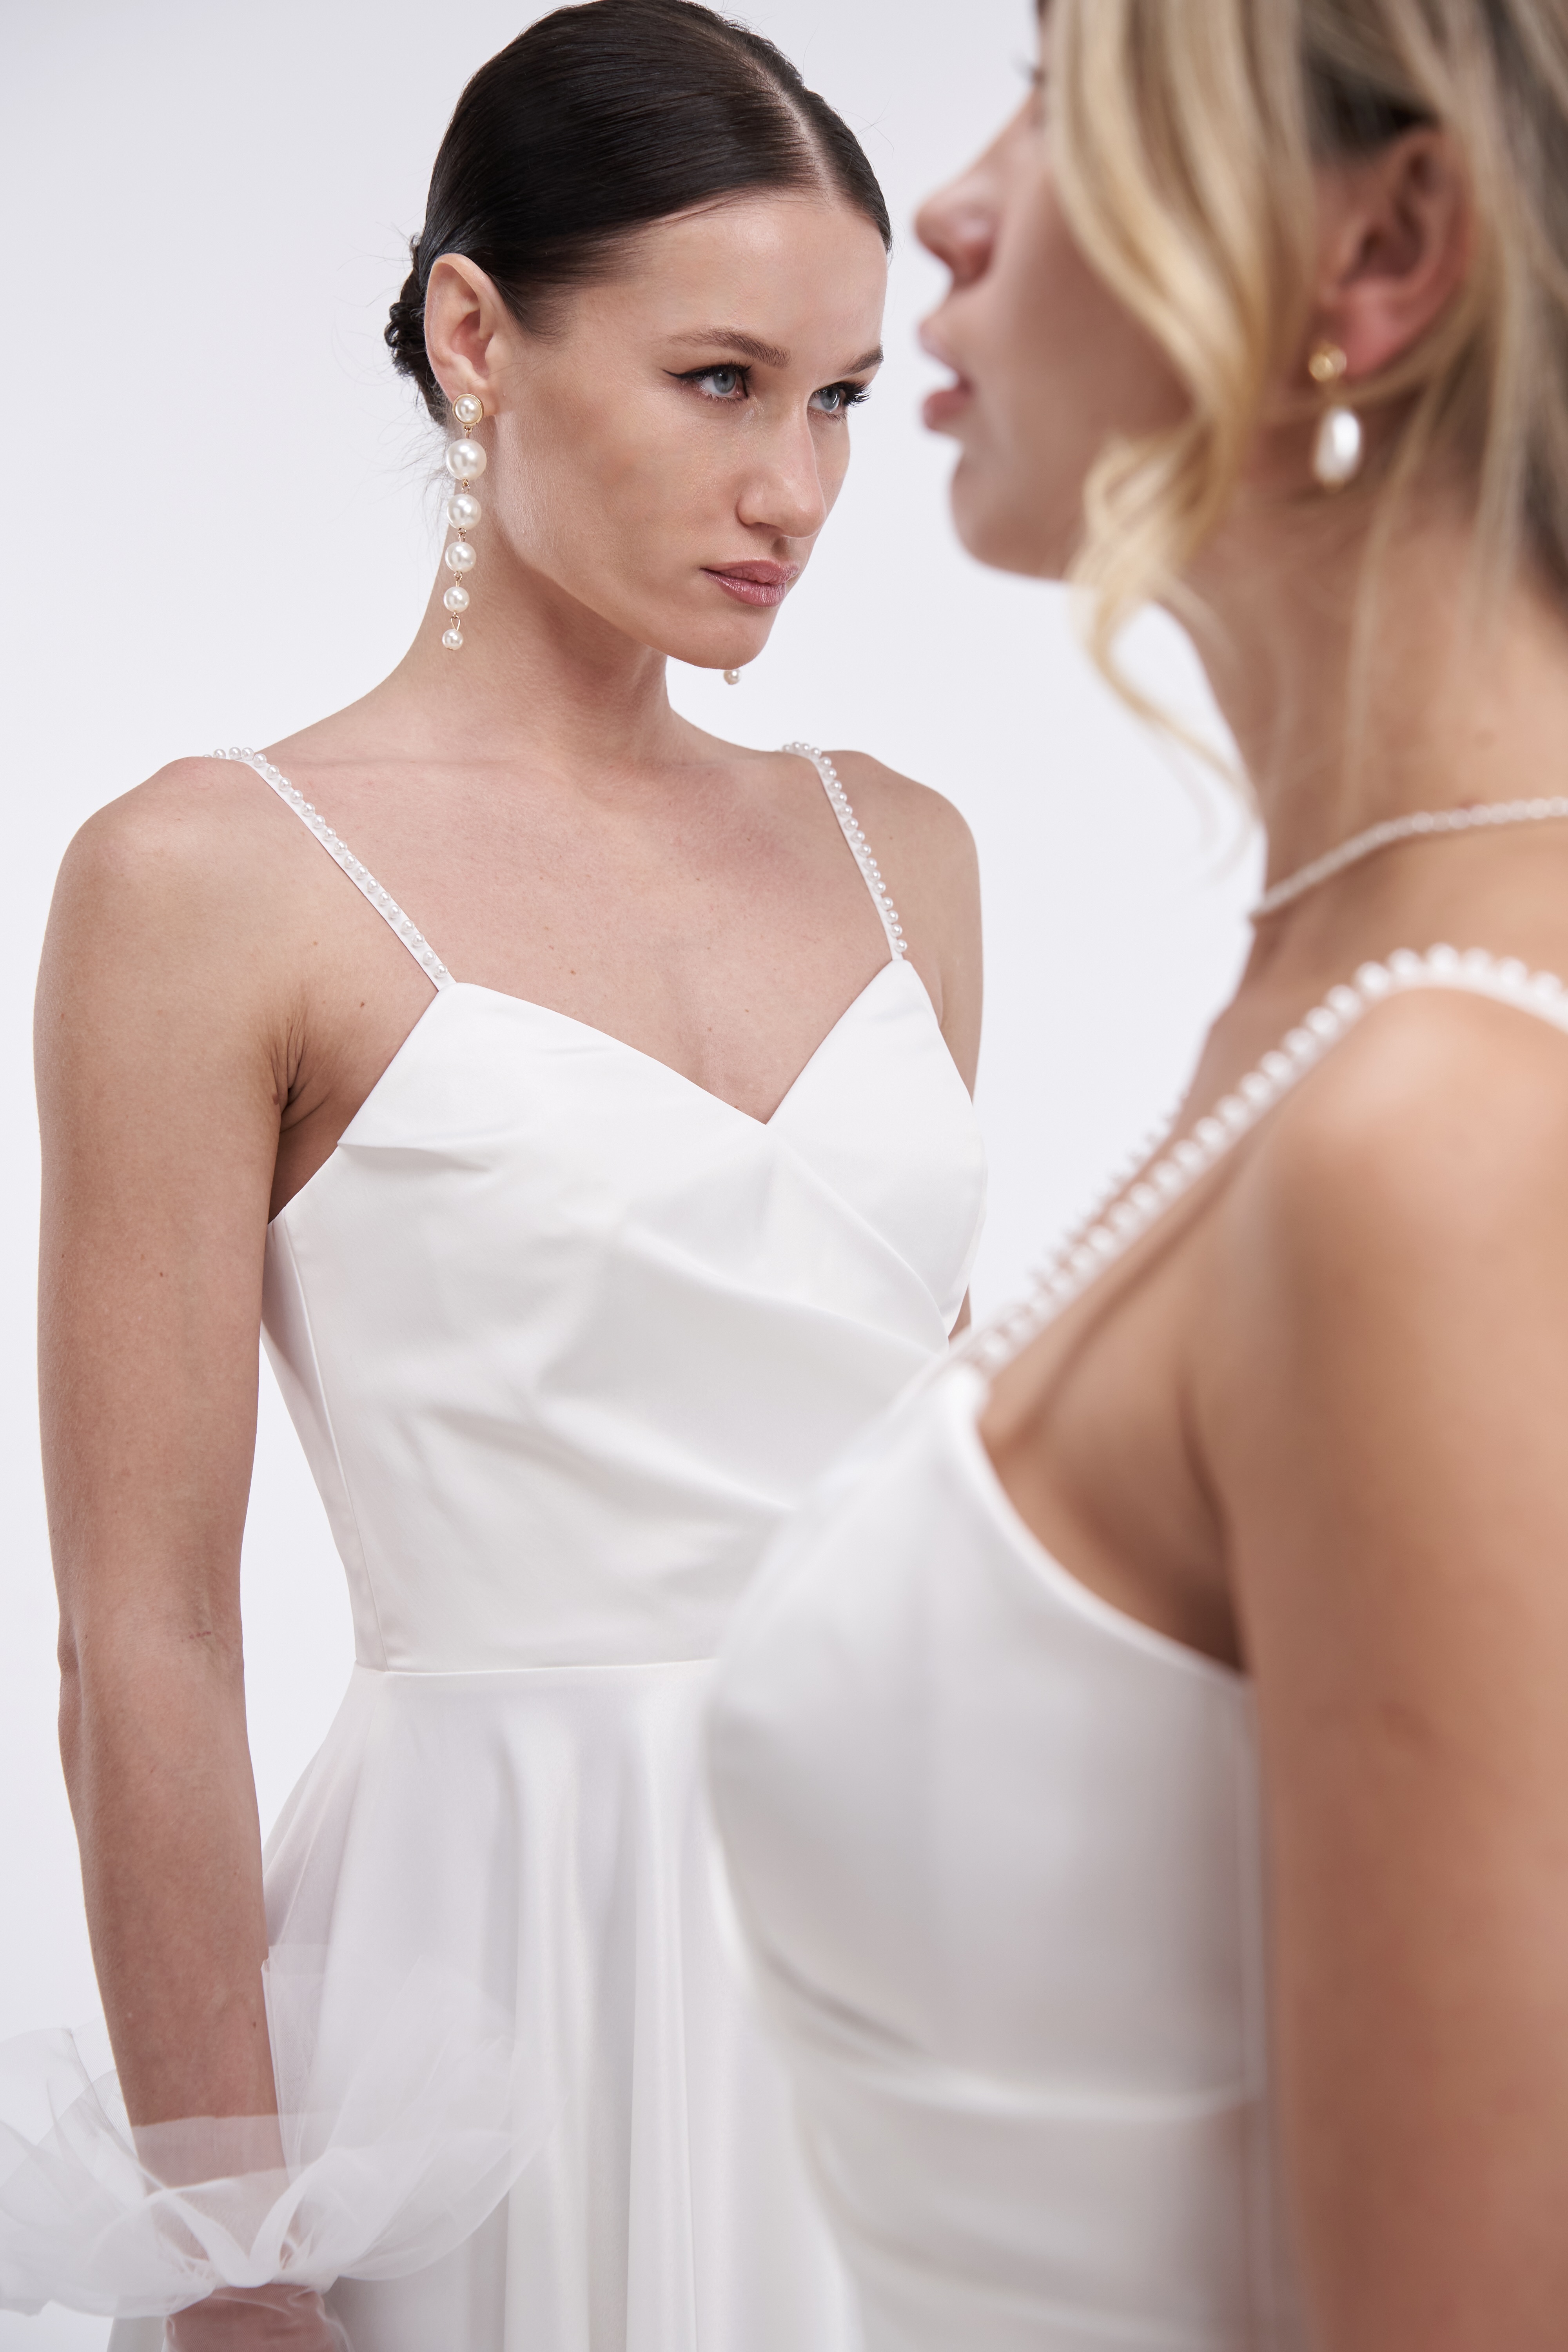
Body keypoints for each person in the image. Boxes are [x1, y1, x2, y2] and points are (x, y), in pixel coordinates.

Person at [0, 4, 985, 2346]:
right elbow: (147, 1633)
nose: (797, 490)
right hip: (488, 1970)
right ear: (476, 336)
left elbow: (941, 1504)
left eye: (841, 398)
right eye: (720, 381)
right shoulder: (206, 880)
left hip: (908, 1960)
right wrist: (235, 2248)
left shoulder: (906, 851)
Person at [709, 1, 1568, 2344]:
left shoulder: (1443, 1130)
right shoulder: (1345, 991)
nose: (949, 210)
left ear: (1382, 247)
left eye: (1068, 95)